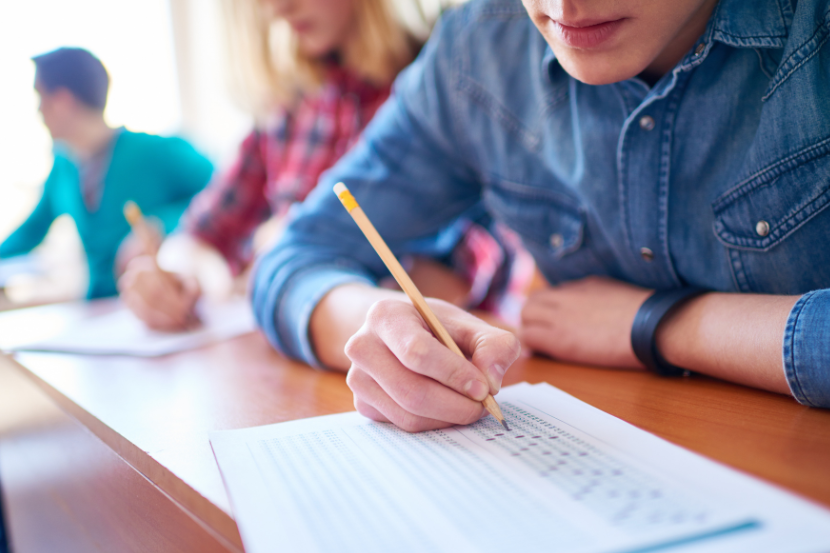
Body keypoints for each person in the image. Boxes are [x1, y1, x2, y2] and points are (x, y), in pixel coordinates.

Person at [252, 0, 830, 431]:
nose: (565, 5)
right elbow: (293, 259)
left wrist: (664, 326)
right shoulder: (478, 47)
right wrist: (388, 331)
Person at [119, 0, 515, 330]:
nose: (277, 9)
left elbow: (471, 263)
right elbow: (204, 234)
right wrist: (182, 279)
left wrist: (294, 253)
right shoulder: (287, 105)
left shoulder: (444, 84)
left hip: (447, 350)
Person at [0, 47, 213, 300]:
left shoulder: (155, 152)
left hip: (158, 302)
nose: (39, 112)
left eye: (41, 99)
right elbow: (31, 231)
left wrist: (160, 224)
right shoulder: (62, 168)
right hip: (97, 309)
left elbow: (223, 193)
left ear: (63, 101)